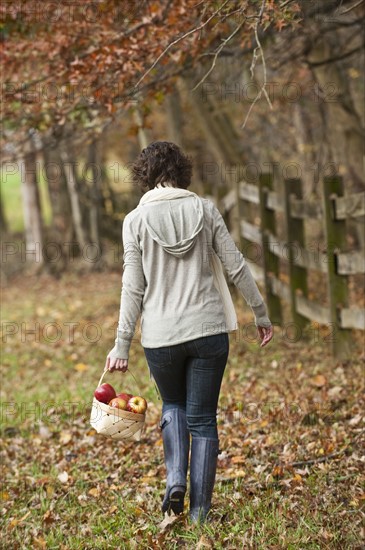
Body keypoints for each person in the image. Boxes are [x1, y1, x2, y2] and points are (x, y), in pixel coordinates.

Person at [105, 141, 273, 522]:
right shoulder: (204, 209)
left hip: (161, 338)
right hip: (208, 331)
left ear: (144, 176)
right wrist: (260, 313)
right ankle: (199, 513)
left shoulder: (135, 221)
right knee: (204, 420)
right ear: (181, 171)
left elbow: (133, 287)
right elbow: (236, 266)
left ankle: (175, 479)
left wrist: (121, 345)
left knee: (174, 406)